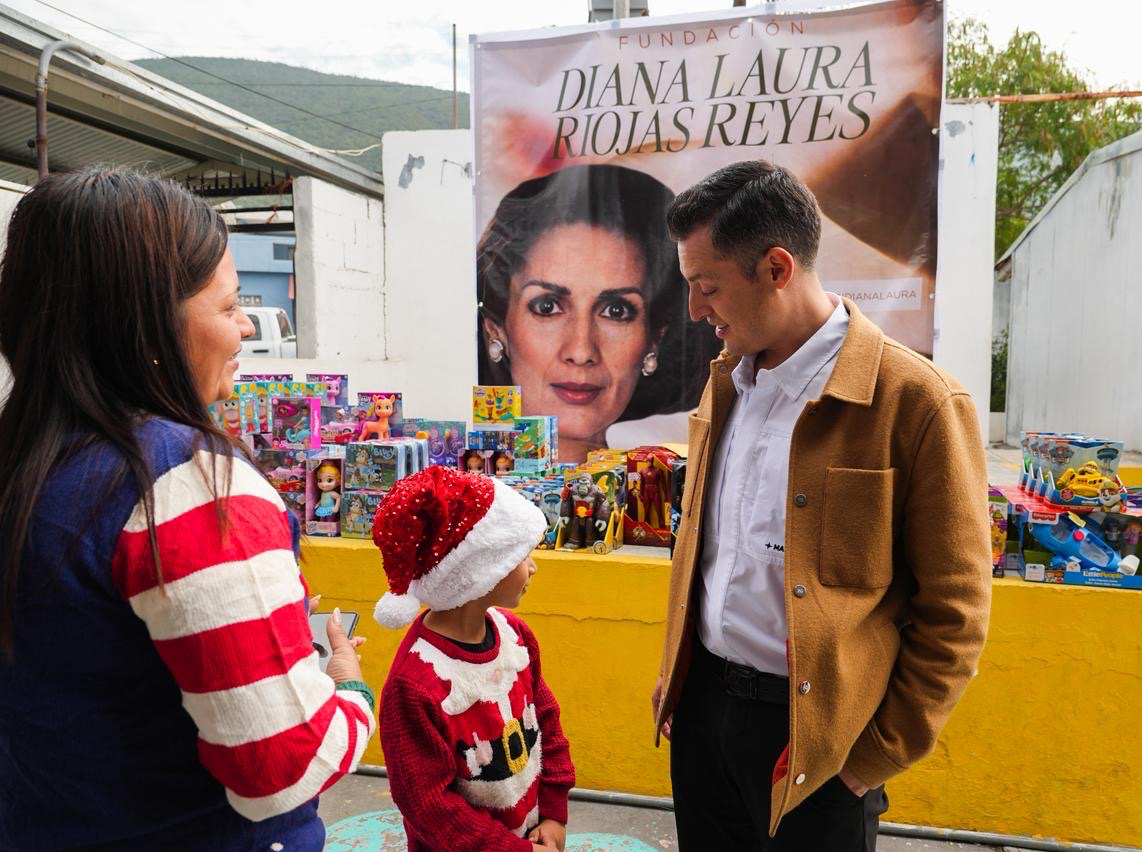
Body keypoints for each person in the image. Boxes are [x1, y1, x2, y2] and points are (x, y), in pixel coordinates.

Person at [0, 169, 375, 850]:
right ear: (148, 323)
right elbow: (281, 767)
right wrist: (348, 690)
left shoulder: (25, 462)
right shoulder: (189, 483)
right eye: (231, 306)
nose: (244, 332)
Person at [650, 161, 992, 851]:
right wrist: (676, 682)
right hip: (703, 716)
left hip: (820, 744)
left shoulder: (915, 401)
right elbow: (706, 555)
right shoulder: (725, 385)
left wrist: (867, 764)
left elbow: (955, 612)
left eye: (706, 288)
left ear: (777, 268)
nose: (694, 311)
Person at [372, 466, 575, 851]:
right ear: (479, 570)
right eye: (521, 555)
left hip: (533, 833)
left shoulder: (516, 637)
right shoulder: (415, 685)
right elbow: (429, 806)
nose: (533, 566)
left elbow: (546, 721)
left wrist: (553, 812)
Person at [477, 164, 720, 463]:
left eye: (616, 311)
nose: (581, 351)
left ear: (653, 339)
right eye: (547, 307)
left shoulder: (673, 492)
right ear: (496, 329)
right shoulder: (465, 499)